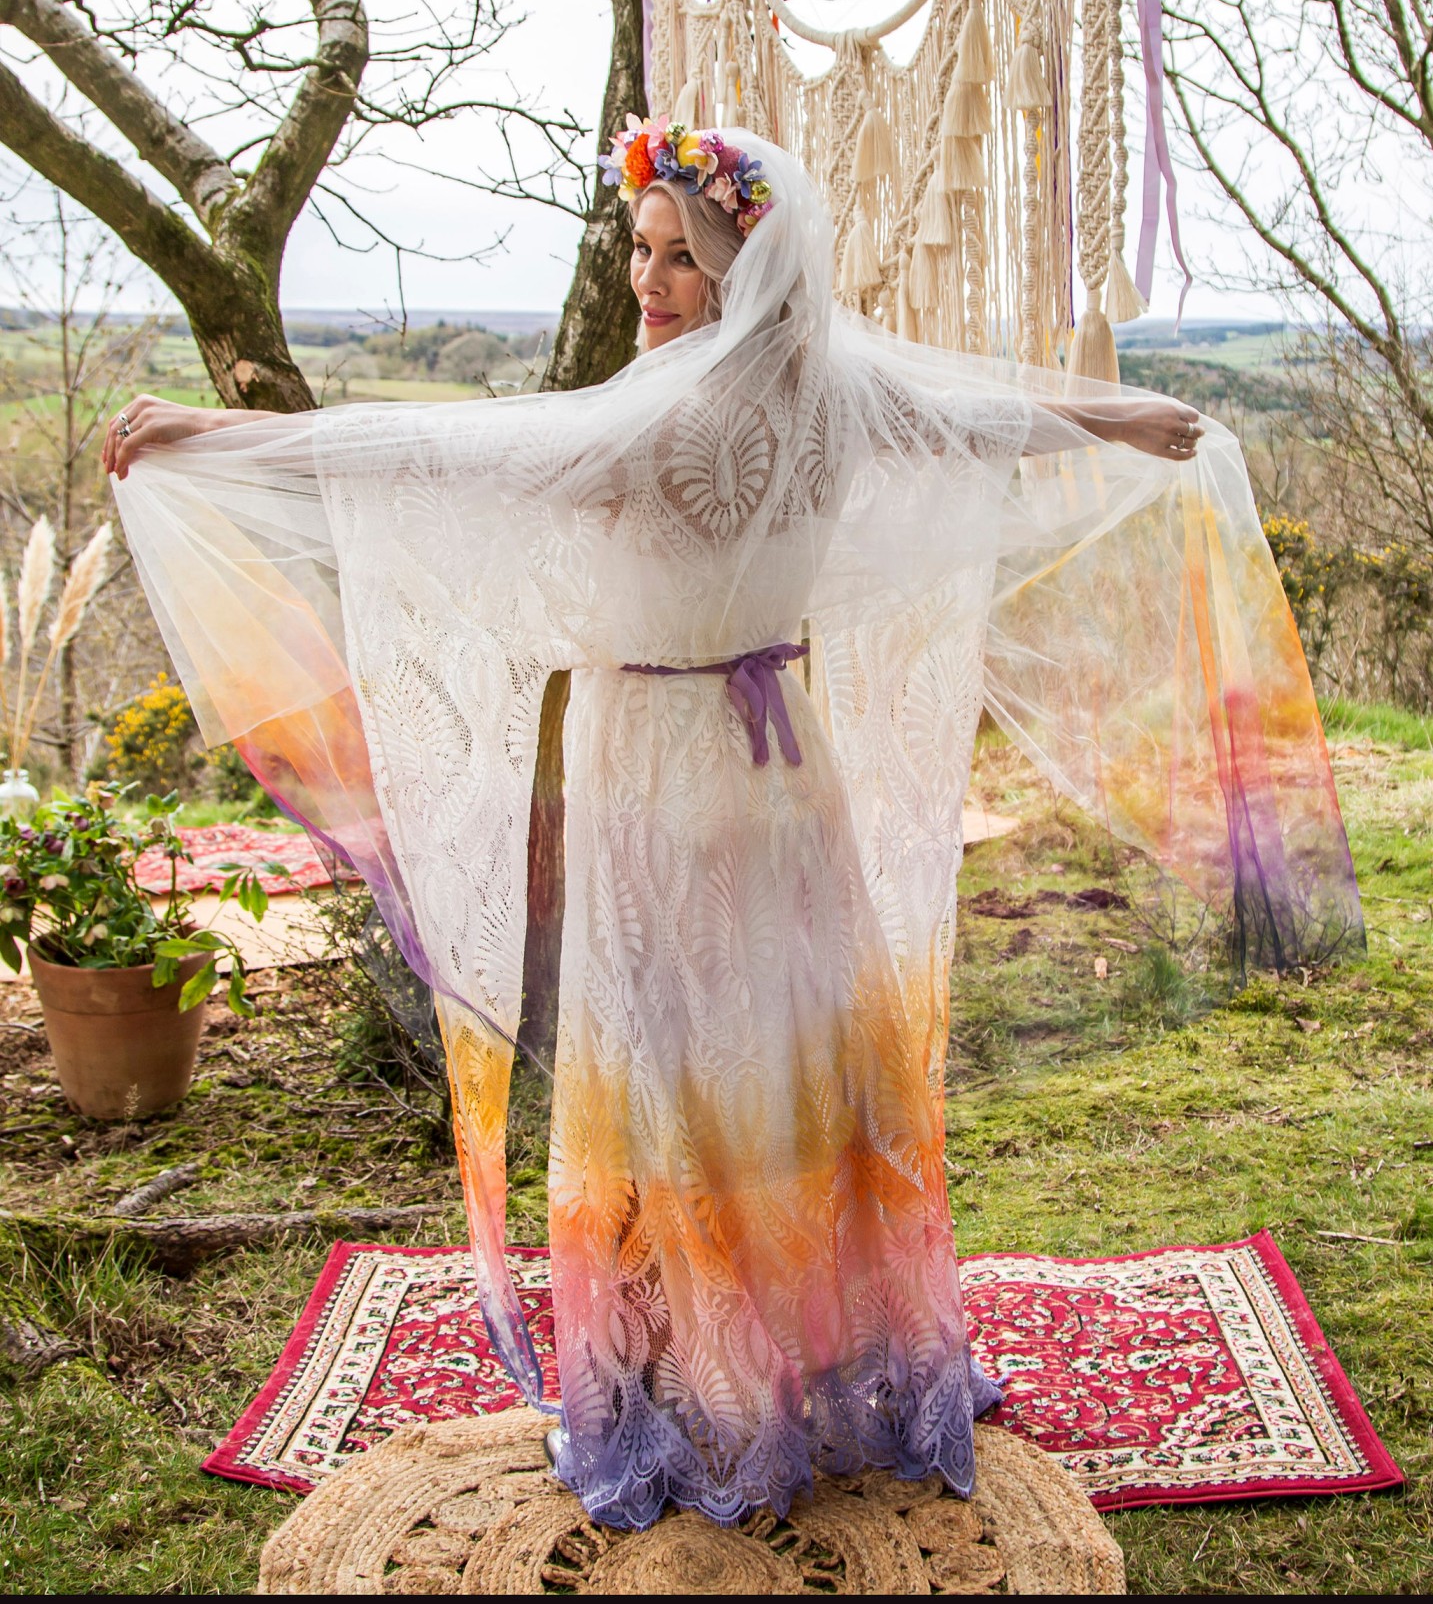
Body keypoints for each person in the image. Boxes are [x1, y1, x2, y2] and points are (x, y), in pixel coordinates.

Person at [105, 120, 1360, 1530]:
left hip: (664, 766)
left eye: (680, 257)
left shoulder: (659, 413)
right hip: (780, 760)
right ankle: (804, 1346)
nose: (650, 280)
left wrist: (213, 434)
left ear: (741, 263)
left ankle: (704, 1375)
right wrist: (1131, 420)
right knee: (785, 1055)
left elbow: (431, 454)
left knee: (682, 1059)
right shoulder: (838, 384)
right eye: (639, 250)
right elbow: (988, 414)